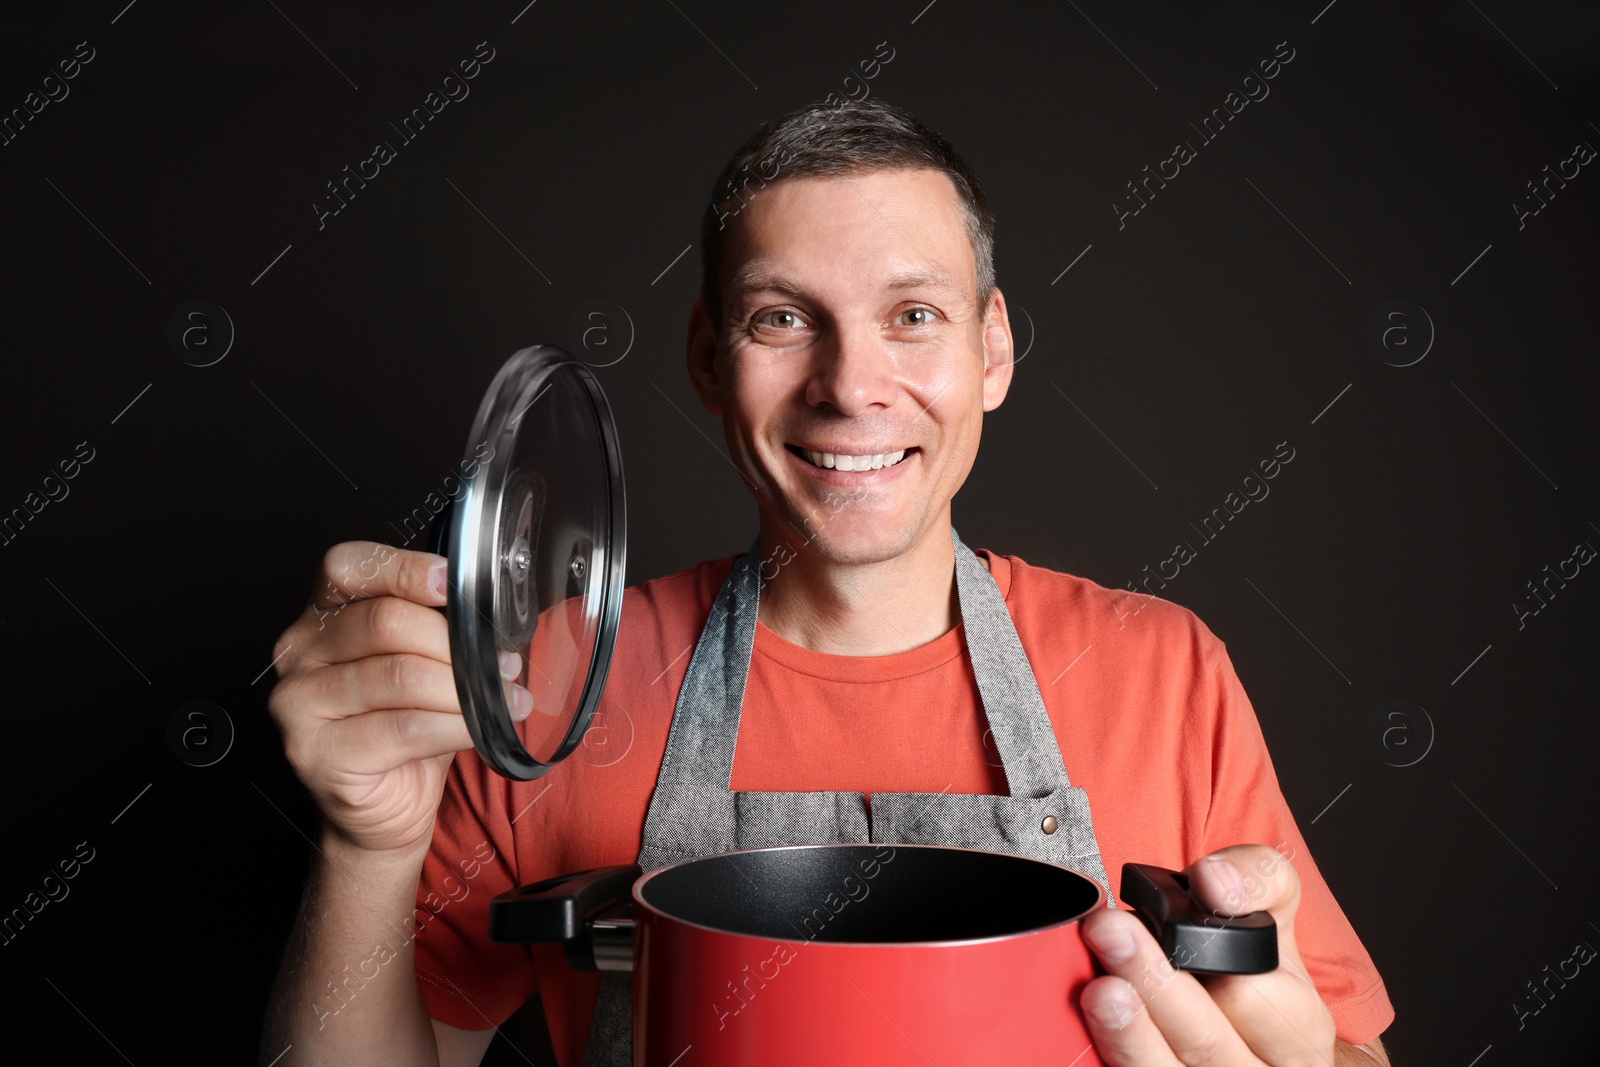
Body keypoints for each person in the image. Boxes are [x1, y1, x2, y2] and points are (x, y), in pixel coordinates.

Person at [261, 99, 1394, 1066]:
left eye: (914, 315)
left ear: (990, 350)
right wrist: (366, 844)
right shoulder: (553, 678)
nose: (852, 385)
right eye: (783, 318)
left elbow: (1342, 1044)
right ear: (708, 358)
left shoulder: (1162, 666)